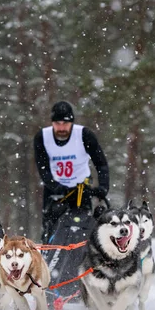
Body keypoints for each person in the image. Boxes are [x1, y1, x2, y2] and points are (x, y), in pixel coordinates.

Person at [34, 101, 110, 243]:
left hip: (81, 189)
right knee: (50, 229)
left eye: (65, 124)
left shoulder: (84, 135)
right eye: (58, 124)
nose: (61, 128)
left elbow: (101, 163)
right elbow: (43, 168)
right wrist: (56, 186)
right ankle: (49, 253)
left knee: (83, 228)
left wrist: (103, 187)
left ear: (72, 122)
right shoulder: (42, 137)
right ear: (52, 123)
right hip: (55, 190)